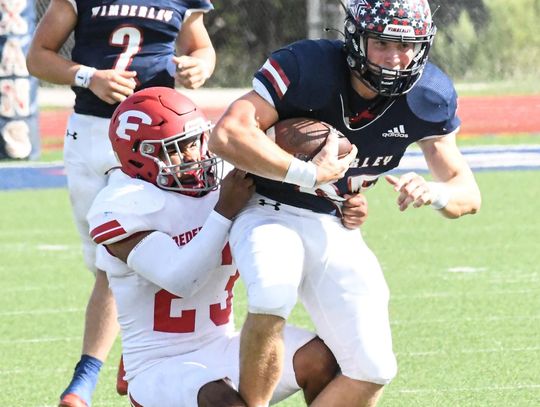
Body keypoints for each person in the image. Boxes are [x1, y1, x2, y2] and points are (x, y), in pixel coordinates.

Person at [209, 0, 482, 406]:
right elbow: (227, 135)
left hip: (333, 221)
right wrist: (307, 173)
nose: (395, 58)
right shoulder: (308, 66)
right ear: (355, 37)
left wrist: (436, 192)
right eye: (382, 43)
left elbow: (468, 193)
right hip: (266, 207)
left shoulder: (428, 94)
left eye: (407, 46)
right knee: (271, 292)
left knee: (374, 368)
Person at [88, 86, 341, 407]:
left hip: (223, 344)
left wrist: (342, 202)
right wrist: (224, 212)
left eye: (195, 142)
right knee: (221, 400)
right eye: (177, 149)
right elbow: (181, 280)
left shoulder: (221, 180)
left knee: (321, 358)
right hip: (159, 364)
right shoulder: (123, 204)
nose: (194, 156)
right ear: (141, 158)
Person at [26, 1, 215, 406]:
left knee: (141, 250)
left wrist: (200, 66)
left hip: (160, 143)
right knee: (103, 261)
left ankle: (89, 375)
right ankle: (128, 357)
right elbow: (37, 58)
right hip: (93, 133)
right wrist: (88, 76)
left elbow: (202, 49)